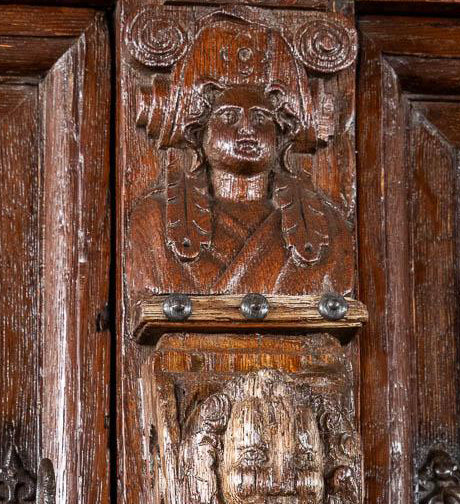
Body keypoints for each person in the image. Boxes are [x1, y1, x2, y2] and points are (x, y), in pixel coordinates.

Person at [129, 14, 354, 296]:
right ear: (200, 133)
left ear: (280, 137)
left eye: (261, 118)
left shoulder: (328, 228)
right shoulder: (154, 220)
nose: (247, 128)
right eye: (229, 116)